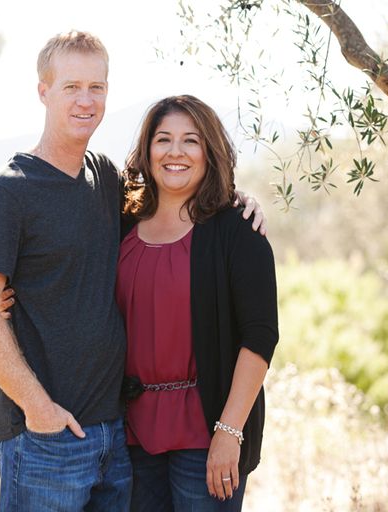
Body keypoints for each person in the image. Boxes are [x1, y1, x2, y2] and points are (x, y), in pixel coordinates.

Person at [0, 31, 265, 512]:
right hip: (45, 438)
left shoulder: (104, 180)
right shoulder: (7, 194)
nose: (86, 100)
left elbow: (177, 186)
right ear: (43, 91)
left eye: (97, 87)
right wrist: (39, 410)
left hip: (116, 437)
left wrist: (237, 200)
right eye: (71, 87)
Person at [117, 95, 278, 511]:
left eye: (190, 141)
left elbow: (260, 336)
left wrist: (229, 432)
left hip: (205, 433)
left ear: (209, 151)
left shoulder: (237, 231)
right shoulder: (120, 226)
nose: (175, 152)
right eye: (163, 139)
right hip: (131, 436)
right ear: (147, 149)